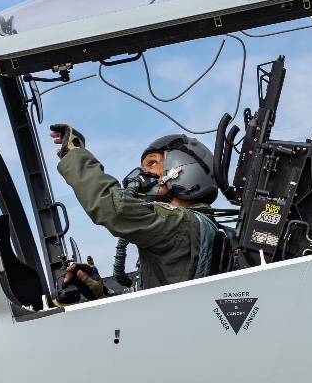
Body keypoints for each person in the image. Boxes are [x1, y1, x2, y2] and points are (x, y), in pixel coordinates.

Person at [50, 124, 223, 300]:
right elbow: (147, 303)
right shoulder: (190, 226)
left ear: (185, 168)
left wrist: (74, 154)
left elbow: (113, 209)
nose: (142, 174)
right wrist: (101, 292)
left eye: (152, 163)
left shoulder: (181, 224)